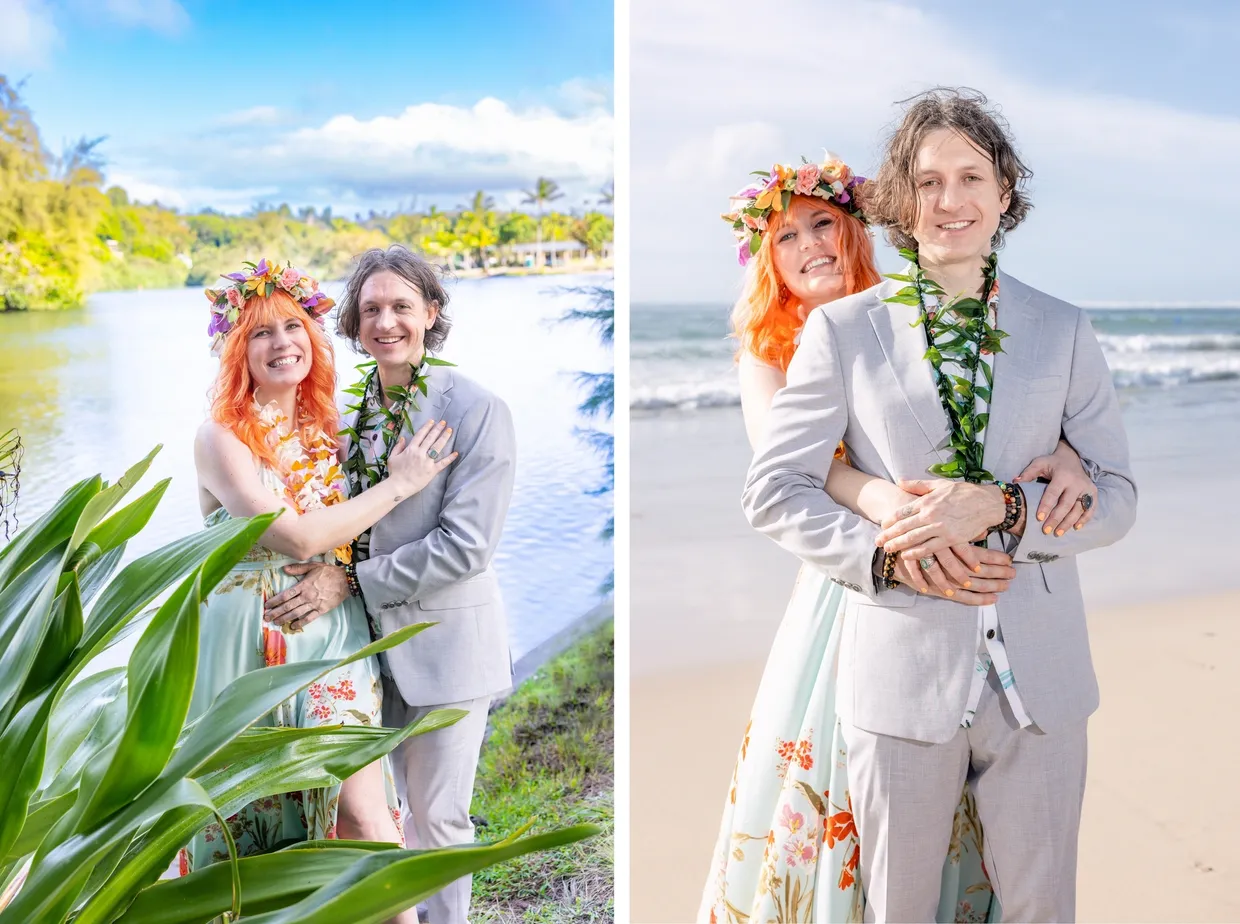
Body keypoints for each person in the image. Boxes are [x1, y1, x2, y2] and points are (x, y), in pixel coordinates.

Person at [742, 90, 1138, 922]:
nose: (950, 201)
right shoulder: (845, 330)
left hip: (1045, 678)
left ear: (1005, 193)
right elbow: (775, 490)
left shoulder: (1065, 330)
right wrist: (886, 557)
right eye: (926, 182)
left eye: (971, 177)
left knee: (1042, 910)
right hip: (899, 672)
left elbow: (1119, 500)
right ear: (897, 200)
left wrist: (1001, 507)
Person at [189, 259, 456, 924]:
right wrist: (399, 483)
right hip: (246, 646)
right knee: (254, 825)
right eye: (260, 333)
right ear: (235, 349)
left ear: (314, 334)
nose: (282, 343)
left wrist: (345, 572)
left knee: (364, 815)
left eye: (293, 326)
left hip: (332, 637)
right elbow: (296, 537)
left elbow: (352, 537)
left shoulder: (332, 428)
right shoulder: (222, 437)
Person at [263, 245, 516, 924]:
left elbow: (466, 546)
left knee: (438, 822)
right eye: (370, 308)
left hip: (446, 647)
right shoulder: (344, 418)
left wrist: (348, 578)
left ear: (431, 313)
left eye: (402, 306)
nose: (386, 321)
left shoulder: (476, 409)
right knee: (375, 817)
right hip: (362, 654)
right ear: (351, 322)